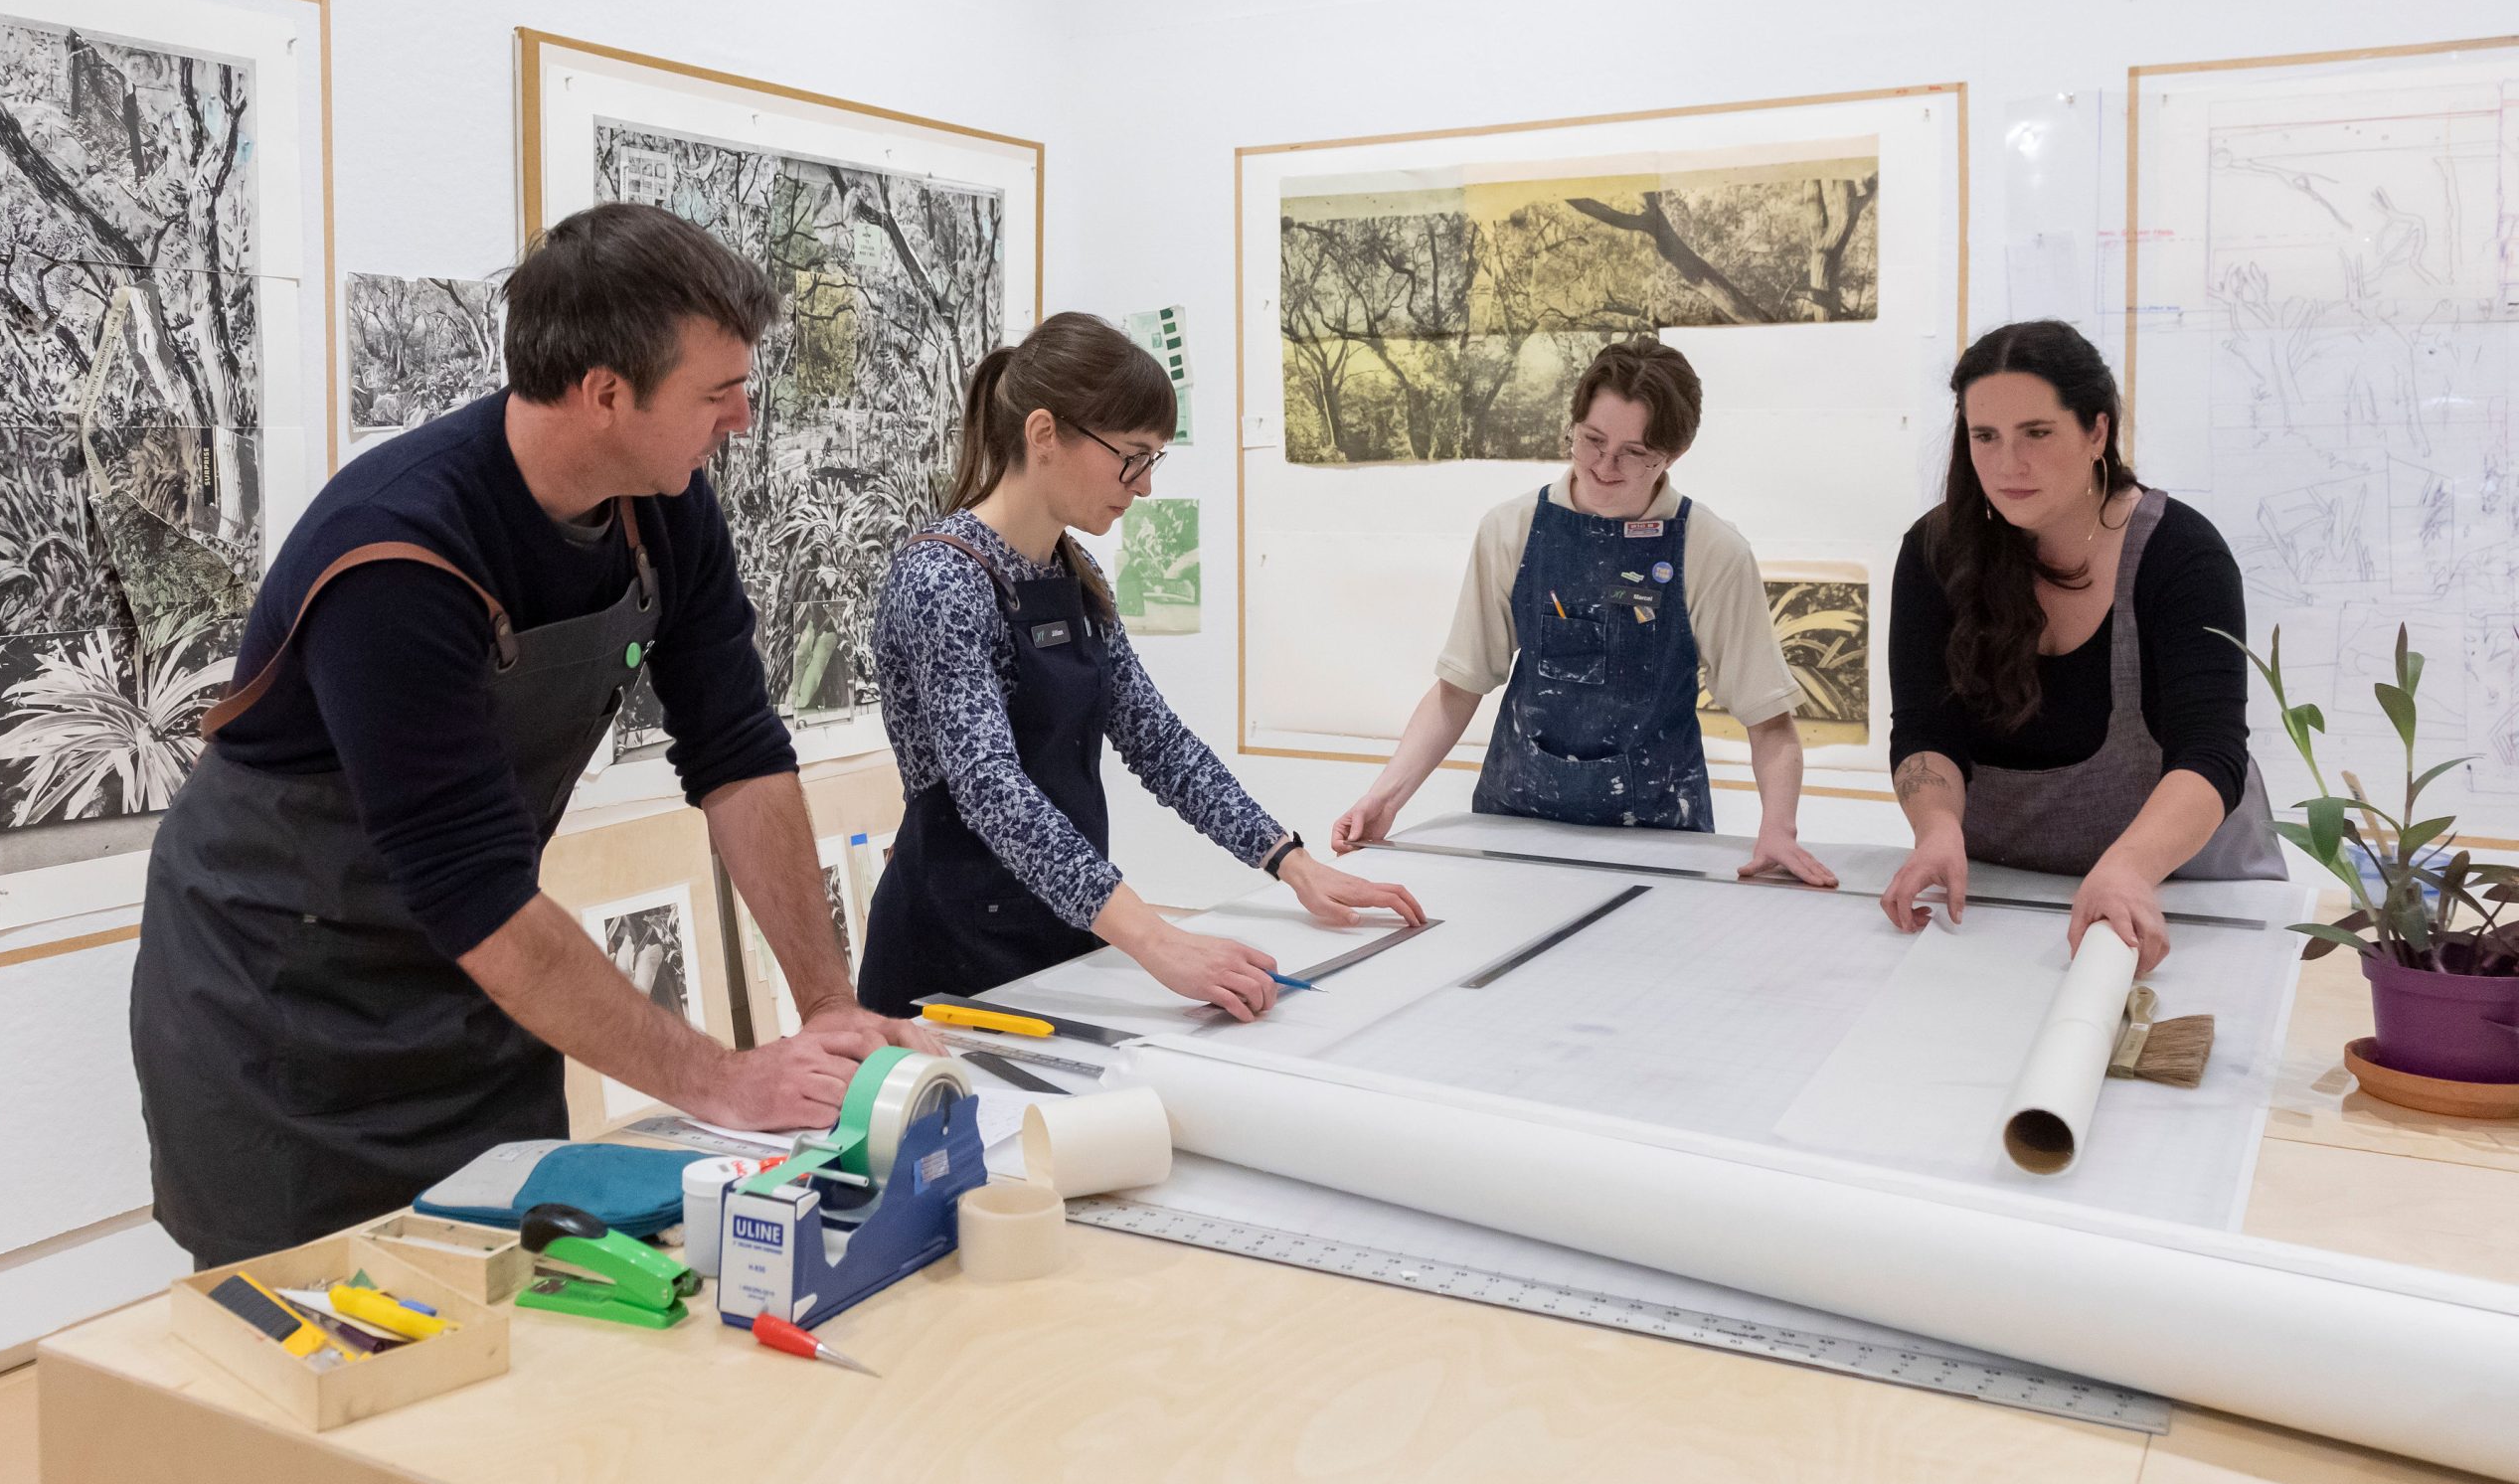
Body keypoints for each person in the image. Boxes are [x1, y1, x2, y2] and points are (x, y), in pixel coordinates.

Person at [130, 204, 927, 1267]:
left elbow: (737, 755)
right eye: (717, 390)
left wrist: (829, 1005)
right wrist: (722, 1079)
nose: (742, 416)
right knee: (317, 1347)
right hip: (282, 1005)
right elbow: (475, 891)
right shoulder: (396, 559)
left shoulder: (663, 503)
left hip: (477, 985)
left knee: (514, 1295)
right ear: (605, 393)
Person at [859, 312, 1425, 1025]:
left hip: (1060, 936)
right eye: (1133, 454)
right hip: (947, 961)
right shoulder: (942, 580)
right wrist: (1157, 939)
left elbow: (1158, 742)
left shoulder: (1078, 572)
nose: (1146, 485)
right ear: (1044, 436)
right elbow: (991, 789)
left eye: (1155, 457)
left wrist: (1292, 862)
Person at [1332, 340, 1834, 886]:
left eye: (1632, 452)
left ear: (1672, 455)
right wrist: (1383, 799)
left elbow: (1771, 724)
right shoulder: (1511, 530)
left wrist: (1778, 830)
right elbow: (1458, 689)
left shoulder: (1710, 550)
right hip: (1513, 826)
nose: (1603, 464)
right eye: (1590, 440)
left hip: (1659, 841)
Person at [1878, 319, 2283, 973]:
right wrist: (1937, 828)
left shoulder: (2181, 554)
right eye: (1986, 437)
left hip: (2181, 893)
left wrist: (2128, 868)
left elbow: (2211, 753)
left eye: (2037, 433)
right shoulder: (1935, 553)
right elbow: (1925, 728)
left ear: (2096, 431)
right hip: (2006, 900)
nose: (2009, 464)